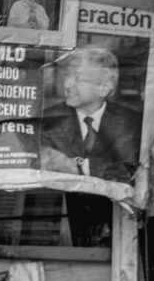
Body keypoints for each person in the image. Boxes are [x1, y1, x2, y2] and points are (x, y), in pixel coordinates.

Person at [39, 46, 142, 181]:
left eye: (78, 78)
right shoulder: (47, 119)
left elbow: (129, 169)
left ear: (103, 88)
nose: (67, 84)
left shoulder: (131, 122)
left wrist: (81, 167)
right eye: (67, 75)